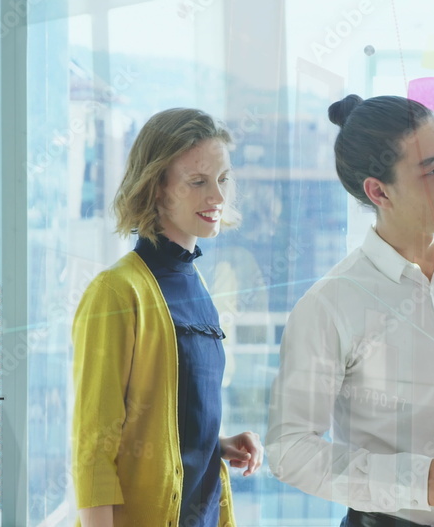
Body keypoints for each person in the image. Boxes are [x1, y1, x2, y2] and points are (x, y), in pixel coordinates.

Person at [266, 95, 434, 527]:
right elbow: (290, 449)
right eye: (431, 169)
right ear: (378, 191)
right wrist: (413, 480)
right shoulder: (332, 303)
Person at [72, 108, 264, 527]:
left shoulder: (195, 282)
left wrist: (217, 444)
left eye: (223, 179)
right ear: (156, 188)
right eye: (198, 182)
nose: (217, 197)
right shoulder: (116, 291)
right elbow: (94, 448)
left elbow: (172, 418)